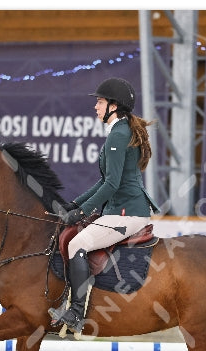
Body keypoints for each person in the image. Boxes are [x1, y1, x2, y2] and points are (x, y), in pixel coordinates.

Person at [49, 77, 161, 334]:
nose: (95, 107)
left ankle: (76, 313)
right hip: (122, 209)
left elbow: (111, 185)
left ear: (114, 105)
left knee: (78, 243)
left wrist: (81, 212)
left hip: (127, 213)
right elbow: (105, 181)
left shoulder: (119, 135)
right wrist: (75, 204)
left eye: (99, 102)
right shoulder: (119, 132)